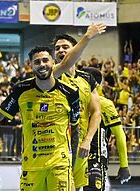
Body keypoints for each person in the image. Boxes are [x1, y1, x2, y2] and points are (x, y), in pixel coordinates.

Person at [0, 46, 81, 190]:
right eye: (37, 62)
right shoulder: (21, 90)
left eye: (45, 60)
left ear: (53, 62)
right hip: (31, 165)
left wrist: (74, 163)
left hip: (60, 164)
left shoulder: (71, 93)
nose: (42, 65)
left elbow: (75, 128)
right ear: (31, 66)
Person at [52, 33, 103, 190]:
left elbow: (96, 112)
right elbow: (66, 63)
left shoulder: (87, 79)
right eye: (57, 48)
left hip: (81, 143)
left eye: (65, 47)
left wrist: (88, 139)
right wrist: (87, 37)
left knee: (76, 187)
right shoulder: (52, 74)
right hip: (57, 144)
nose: (60, 50)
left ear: (75, 50)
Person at [83, 67, 131, 187]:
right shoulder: (74, 100)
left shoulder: (104, 104)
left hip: (96, 158)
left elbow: (120, 134)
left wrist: (124, 165)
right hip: (75, 157)